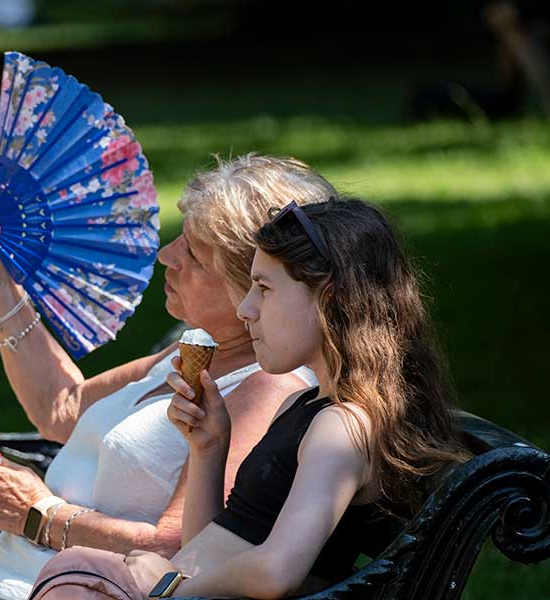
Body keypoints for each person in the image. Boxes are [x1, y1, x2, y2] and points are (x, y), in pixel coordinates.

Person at [0, 155, 337, 600]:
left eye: (194, 254)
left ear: (254, 283)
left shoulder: (267, 389)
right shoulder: (193, 354)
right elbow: (60, 406)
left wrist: (38, 515)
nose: (167, 255)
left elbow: (186, 552)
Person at [32, 198, 470, 599]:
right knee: (77, 572)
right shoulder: (307, 407)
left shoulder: (342, 428)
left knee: (77, 576)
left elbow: (277, 573)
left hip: (178, 592)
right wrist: (208, 448)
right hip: (185, 587)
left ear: (329, 299)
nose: (246, 309)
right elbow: (214, 541)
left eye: (264, 288)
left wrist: (169, 588)